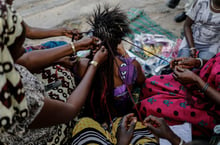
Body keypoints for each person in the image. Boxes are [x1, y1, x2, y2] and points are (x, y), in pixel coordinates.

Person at [0, 1, 109, 144]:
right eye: (19, 47)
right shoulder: (18, 98)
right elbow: (70, 110)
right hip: (44, 136)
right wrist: (94, 64)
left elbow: (25, 60)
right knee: (73, 84)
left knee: (59, 68)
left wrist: (69, 50)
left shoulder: (4, 64)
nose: (24, 50)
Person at [139, 54, 220, 138]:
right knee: (150, 83)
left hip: (210, 108)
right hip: (197, 85)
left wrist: (197, 81)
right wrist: (198, 62)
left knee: (150, 106)